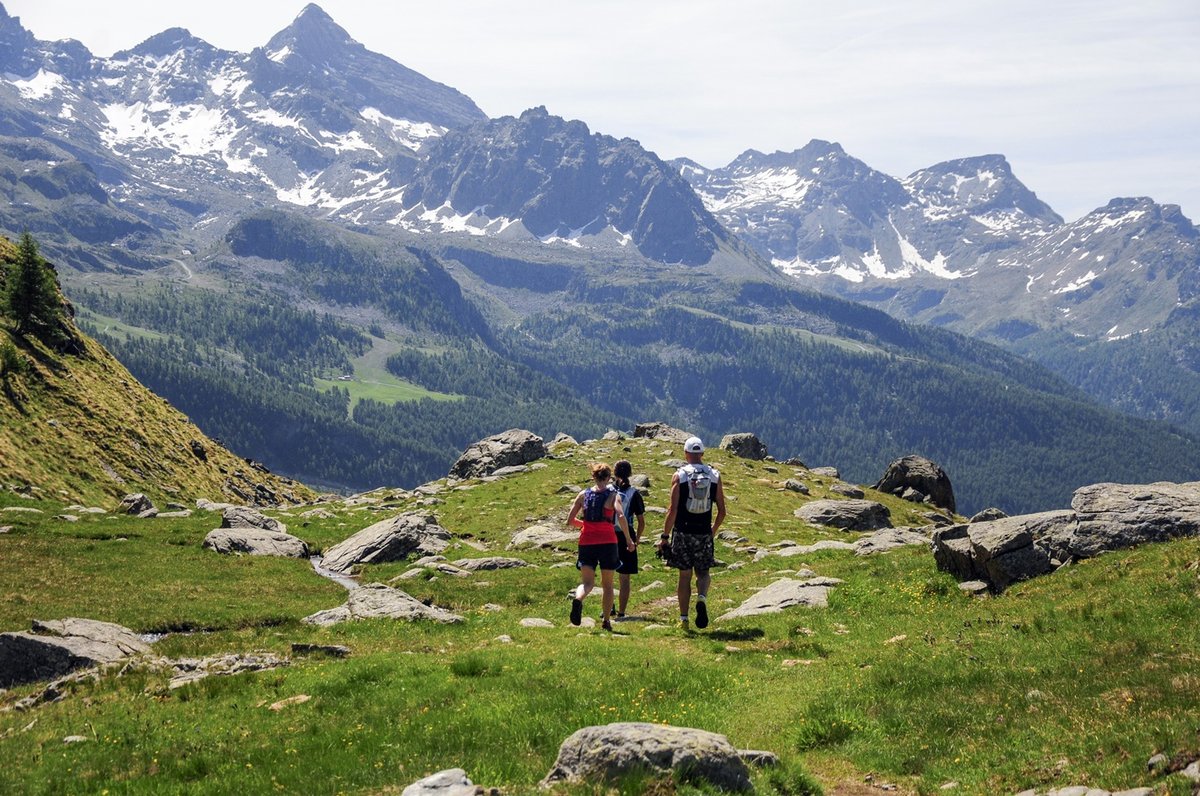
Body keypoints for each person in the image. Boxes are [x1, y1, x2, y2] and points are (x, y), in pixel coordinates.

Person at [656, 436, 726, 629]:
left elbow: (673, 509)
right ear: (702, 454)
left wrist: (665, 536)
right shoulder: (714, 476)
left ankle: (684, 619)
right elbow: (722, 510)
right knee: (703, 573)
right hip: (703, 532)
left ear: (685, 453)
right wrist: (712, 531)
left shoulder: (680, 476)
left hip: (682, 532)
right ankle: (702, 597)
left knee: (684, 576)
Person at [567, 462, 633, 631]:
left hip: (587, 542)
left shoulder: (583, 494)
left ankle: (579, 599)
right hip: (608, 542)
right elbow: (620, 516)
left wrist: (585, 525)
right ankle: (606, 621)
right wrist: (628, 539)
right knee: (608, 585)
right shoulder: (613, 495)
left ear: (593, 477)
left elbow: (570, 521)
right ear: (609, 477)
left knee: (587, 583)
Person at [612, 459, 645, 620]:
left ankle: (608, 607)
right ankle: (622, 612)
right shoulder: (634, 493)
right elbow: (641, 521)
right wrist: (636, 539)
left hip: (609, 534)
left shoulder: (608, 490)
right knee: (624, 577)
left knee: (608, 573)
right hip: (627, 534)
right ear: (631, 474)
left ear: (614, 473)